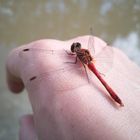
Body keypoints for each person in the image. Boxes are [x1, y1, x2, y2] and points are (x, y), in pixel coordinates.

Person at [6, 36, 140, 140]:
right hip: (93, 67)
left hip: (90, 69)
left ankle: (116, 99)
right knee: (99, 77)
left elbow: (74, 61)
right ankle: (117, 98)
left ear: (75, 50)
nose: (76, 48)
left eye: (75, 48)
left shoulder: (76, 55)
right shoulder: (85, 52)